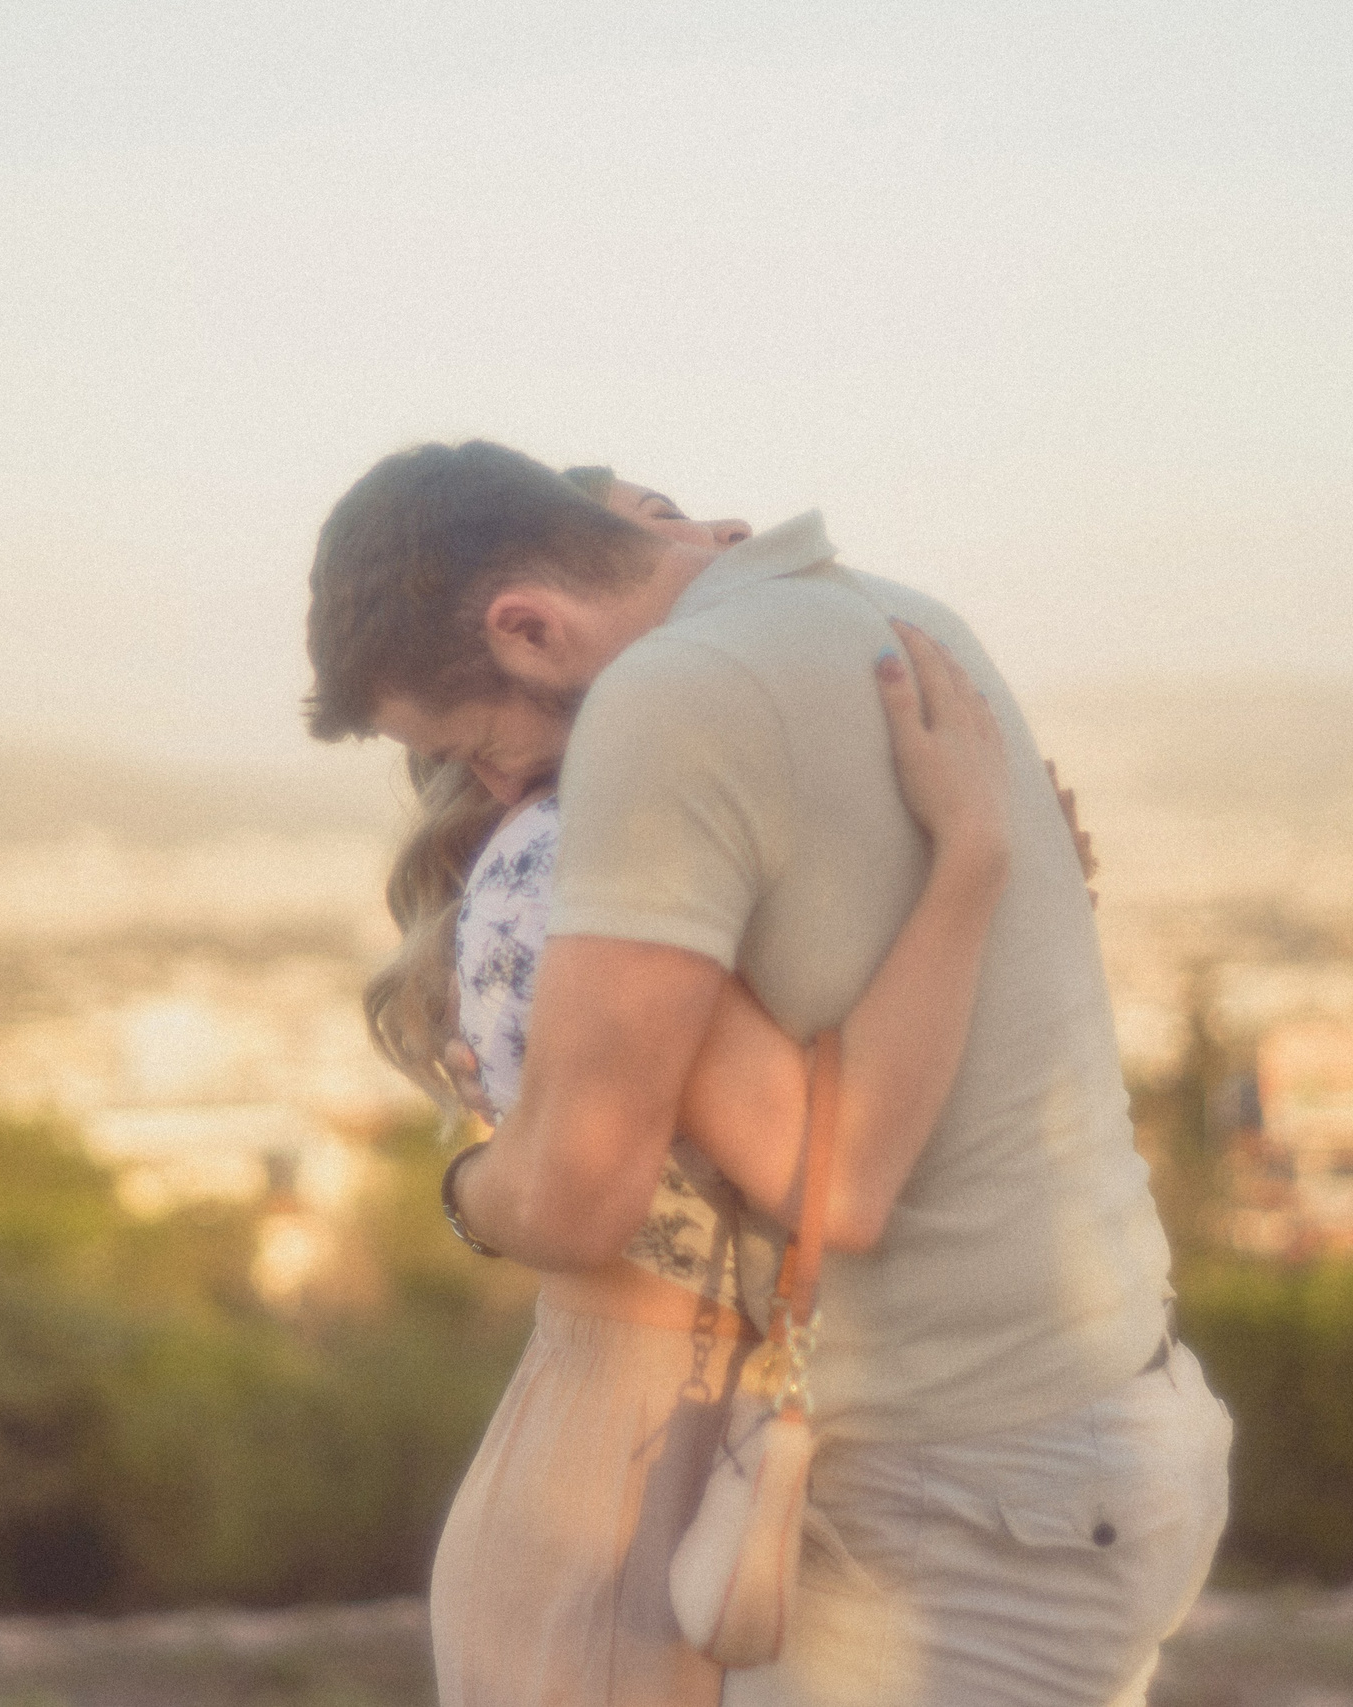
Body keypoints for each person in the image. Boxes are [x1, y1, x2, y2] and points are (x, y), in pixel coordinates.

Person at [307, 442, 1231, 1707]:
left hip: (918, 1483)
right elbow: (838, 1149)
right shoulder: (895, 625)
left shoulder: (682, 710)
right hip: (926, 1449)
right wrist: (972, 860)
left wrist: (471, 1186)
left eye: (479, 736)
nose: (712, 535)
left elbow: (821, 1166)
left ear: (529, 625)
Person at [365, 467, 1021, 1705]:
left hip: (640, 1463)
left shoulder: (639, 846)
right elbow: (846, 1186)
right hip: (619, 1507)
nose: (711, 551)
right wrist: (975, 862)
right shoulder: (590, 857)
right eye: (653, 535)